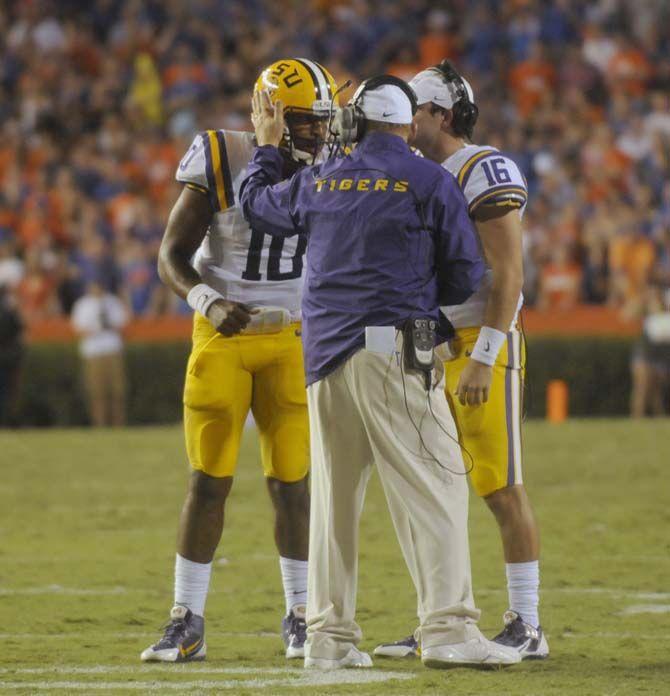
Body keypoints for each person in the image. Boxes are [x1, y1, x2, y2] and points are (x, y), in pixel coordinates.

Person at [240, 76, 521, 669]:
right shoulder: (429, 179)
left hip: (322, 360)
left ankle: (328, 638)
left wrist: (268, 146)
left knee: (334, 504)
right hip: (396, 351)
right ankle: (447, 630)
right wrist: (419, 301)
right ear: (407, 124)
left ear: (354, 123)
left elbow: (256, 207)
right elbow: (466, 273)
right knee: (438, 487)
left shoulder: (318, 179)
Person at [140, 59, 340, 663]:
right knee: (208, 481)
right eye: (305, 122)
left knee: (295, 485)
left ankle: (303, 614)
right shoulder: (220, 153)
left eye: (321, 123)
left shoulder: (334, 163)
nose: (317, 135)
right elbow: (171, 254)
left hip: (295, 338)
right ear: (269, 111)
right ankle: (187, 619)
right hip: (223, 334)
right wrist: (207, 298)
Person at [374, 60, 548, 660]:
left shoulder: (481, 166)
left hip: (481, 341)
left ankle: (527, 623)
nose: (406, 122)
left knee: (499, 485)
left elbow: (510, 274)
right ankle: (440, 618)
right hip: (437, 343)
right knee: (433, 488)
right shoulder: (418, 173)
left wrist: (486, 357)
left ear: (441, 115)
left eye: (415, 112)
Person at [71, 279, 128, 427]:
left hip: (112, 349)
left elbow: (122, 324)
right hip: (93, 352)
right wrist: (97, 327)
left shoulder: (112, 302)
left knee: (117, 390)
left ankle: (118, 424)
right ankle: (99, 424)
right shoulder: (83, 304)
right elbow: (79, 329)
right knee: (97, 391)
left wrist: (108, 324)